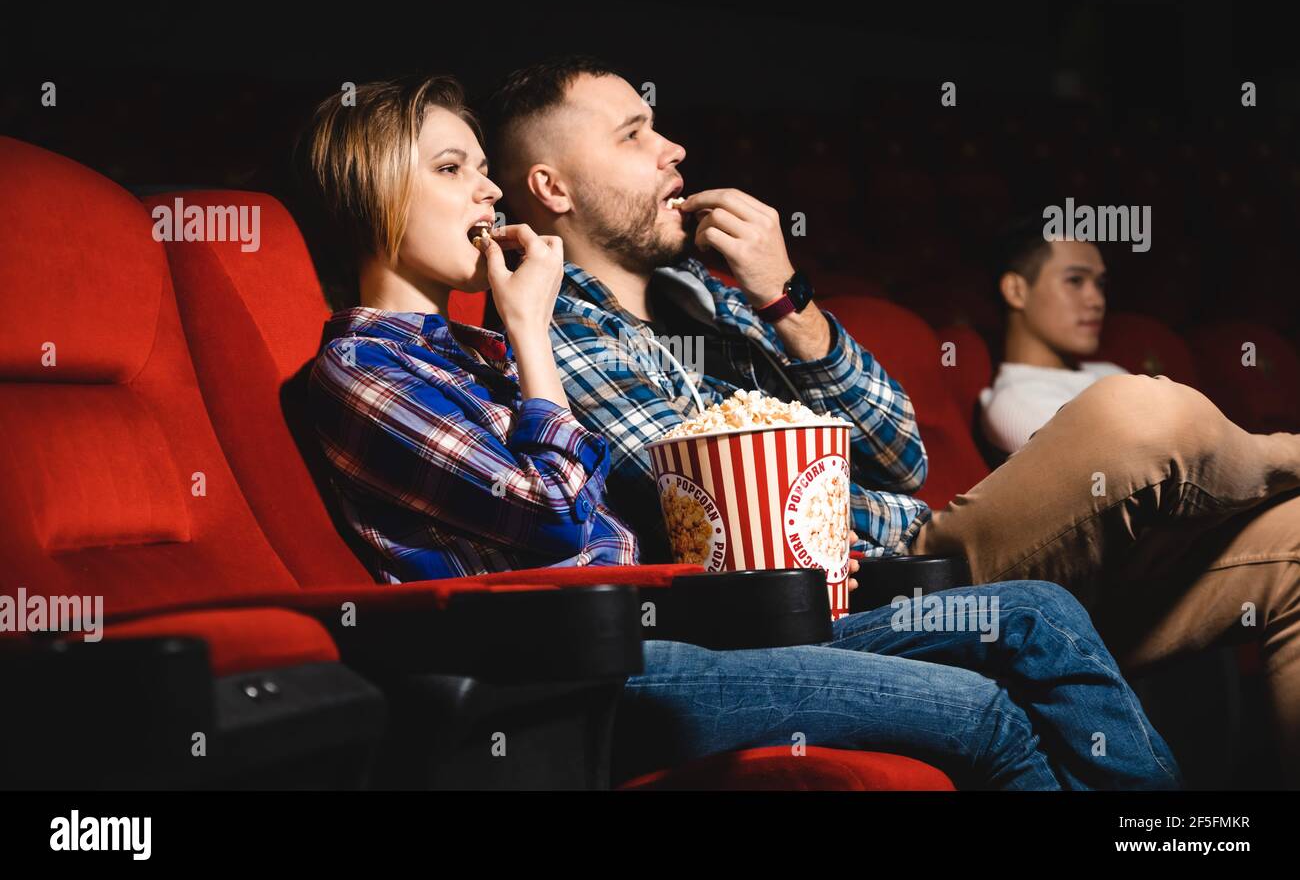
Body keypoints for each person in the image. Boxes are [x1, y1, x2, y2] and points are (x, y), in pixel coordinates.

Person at [293, 73, 1179, 790]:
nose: (485, 188)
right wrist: (531, 334)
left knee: (1038, 616)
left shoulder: (486, 348)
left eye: (483, 166)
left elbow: (896, 455)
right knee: (984, 713)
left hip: (674, 624)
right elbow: (559, 517)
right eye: (452, 169)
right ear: (371, 193)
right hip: (574, 670)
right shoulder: (367, 368)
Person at [485, 55, 1300, 784]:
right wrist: (891, 514)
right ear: (553, 188)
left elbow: (900, 453)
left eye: (658, 128)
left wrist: (787, 300)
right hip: (876, 589)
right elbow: (726, 513)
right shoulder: (553, 328)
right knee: (1135, 415)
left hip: (932, 568)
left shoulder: (713, 297)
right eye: (634, 135)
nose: (674, 150)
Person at [979, 218, 1125, 455]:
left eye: (1099, 284)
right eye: (1075, 280)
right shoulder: (1018, 401)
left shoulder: (1109, 371)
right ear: (1016, 291)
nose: (1097, 300)